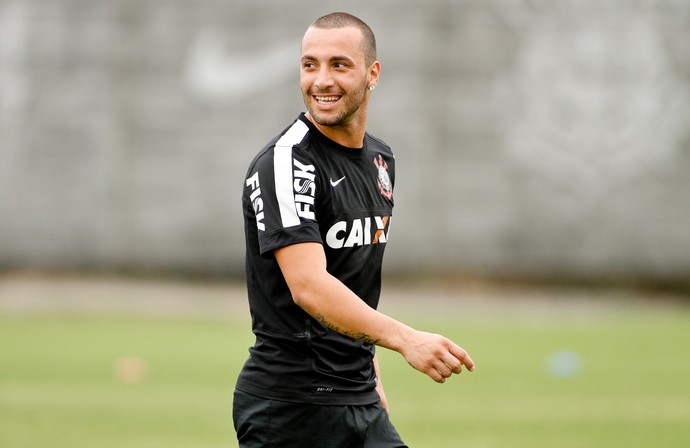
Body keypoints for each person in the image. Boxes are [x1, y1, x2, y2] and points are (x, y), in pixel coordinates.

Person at [234, 11, 475, 448]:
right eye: (310, 65)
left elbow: (352, 285)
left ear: (372, 73)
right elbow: (309, 285)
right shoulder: (287, 163)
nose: (321, 80)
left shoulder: (381, 161)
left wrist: (373, 380)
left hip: (357, 399)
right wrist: (405, 339)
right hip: (291, 408)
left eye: (338, 65)